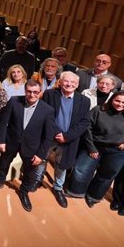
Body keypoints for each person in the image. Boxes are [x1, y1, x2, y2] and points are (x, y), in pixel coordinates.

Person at [0, 80, 56, 212]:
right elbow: (3, 123)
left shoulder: (48, 110)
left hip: (32, 147)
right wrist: (1, 140)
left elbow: (48, 136)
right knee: (3, 163)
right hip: (11, 141)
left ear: (40, 93)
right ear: (25, 91)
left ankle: (24, 192)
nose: (32, 94)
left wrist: (41, 154)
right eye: (29, 91)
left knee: (29, 172)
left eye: (35, 92)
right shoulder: (14, 101)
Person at [66, 92, 124, 206]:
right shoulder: (98, 110)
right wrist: (91, 148)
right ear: (112, 100)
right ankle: (76, 192)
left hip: (117, 151)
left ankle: (93, 196)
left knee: (107, 175)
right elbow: (87, 129)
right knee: (82, 170)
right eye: (117, 101)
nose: (120, 104)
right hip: (95, 146)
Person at [38, 71, 91, 208]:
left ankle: (57, 187)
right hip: (49, 135)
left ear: (78, 84)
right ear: (60, 82)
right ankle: (37, 179)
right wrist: (57, 132)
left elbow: (84, 122)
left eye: (73, 82)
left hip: (69, 139)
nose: (69, 84)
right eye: (66, 81)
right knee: (42, 158)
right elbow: (44, 114)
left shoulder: (84, 100)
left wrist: (66, 136)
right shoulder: (50, 94)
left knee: (62, 164)